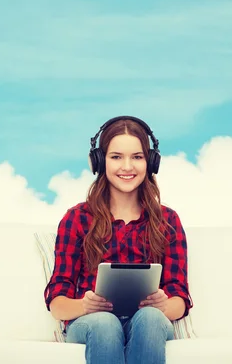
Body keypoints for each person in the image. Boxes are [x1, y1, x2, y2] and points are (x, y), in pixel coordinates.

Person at [43, 115, 193, 364]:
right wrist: (85, 306)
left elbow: (180, 299)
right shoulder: (77, 218)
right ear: (100, 161)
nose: (127, 167)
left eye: (137, 157)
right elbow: (58, 304)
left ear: (150, 162)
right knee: (104, 323)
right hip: (93, 324)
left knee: (151, 318)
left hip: (149, 323)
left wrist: (163, 305)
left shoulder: (168, 220)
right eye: (116, 157)